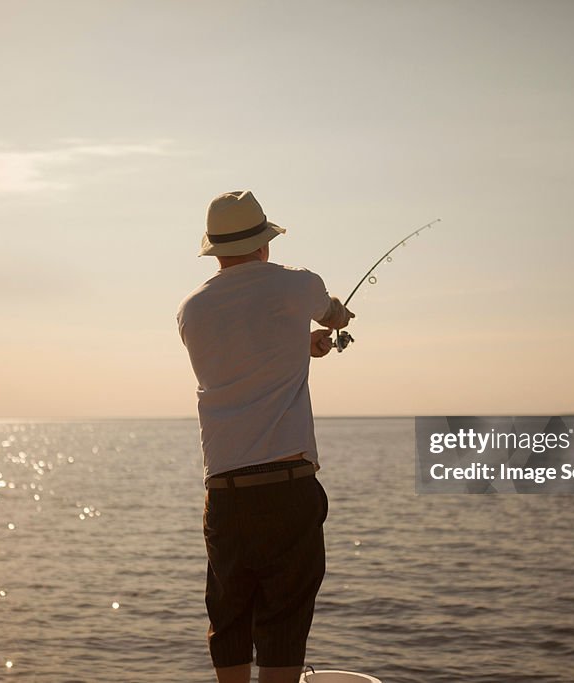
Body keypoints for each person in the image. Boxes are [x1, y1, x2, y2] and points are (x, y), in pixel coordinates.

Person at [176, 190, 354, 683]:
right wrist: (332, 323)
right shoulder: (297, 284)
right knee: (284, 619)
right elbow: (332, 313)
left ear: (215, 248)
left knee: (229, 617)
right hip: (287, 485)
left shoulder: (191, 310)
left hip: (225, 495)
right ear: (264, 244)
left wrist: (302, 347)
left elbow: (243, 354)